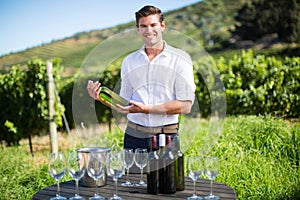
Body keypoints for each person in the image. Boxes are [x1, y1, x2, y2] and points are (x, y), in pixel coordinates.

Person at [87, 5, 196, 151]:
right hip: (133, 137)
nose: (149, 30)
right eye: (143, 26)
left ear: (162, 26)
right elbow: (124, 106)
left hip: (166, 136)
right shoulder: (129, 62)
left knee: (167, 175)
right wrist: (101, 98)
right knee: (131, 175)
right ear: (138, 29)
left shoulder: (180, 59)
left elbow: (185, 105)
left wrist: (147, 109)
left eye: (153, 25)